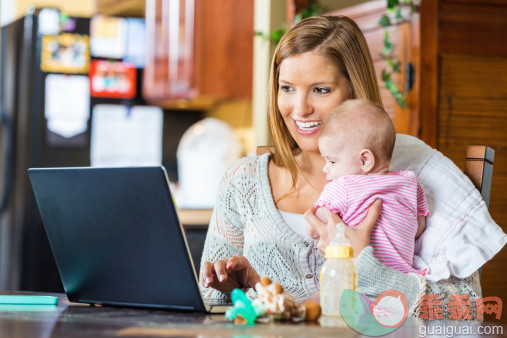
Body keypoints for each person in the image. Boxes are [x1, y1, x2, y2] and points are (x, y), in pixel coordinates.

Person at [199, 15, 482, 317]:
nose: (300, 108)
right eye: (287, 88)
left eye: (320, 90)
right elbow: (208, 298)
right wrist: (244, 289)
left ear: (354, 90)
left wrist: (364, 263)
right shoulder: (243, 181)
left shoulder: (411, 175)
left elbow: (467, 306)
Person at [311, 99, 429, 275]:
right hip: (403, 280)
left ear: (365, 160)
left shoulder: (343, 186)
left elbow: (315, 230)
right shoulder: (410, 182)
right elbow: (419, 227)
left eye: (332, 161)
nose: (325, 168)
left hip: (355, 281)